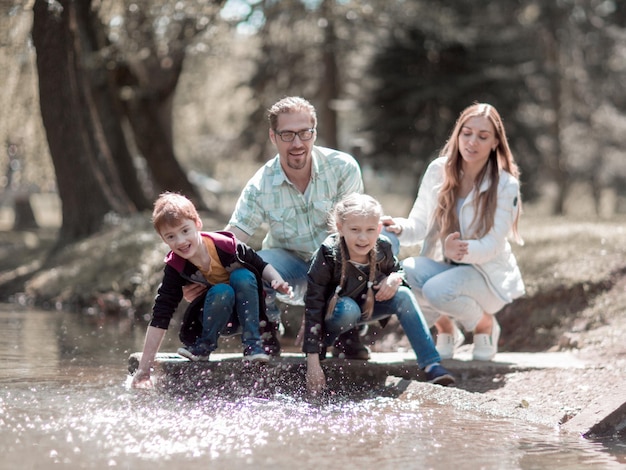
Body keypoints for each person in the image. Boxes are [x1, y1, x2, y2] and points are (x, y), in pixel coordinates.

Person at [186, 96, 368, 359]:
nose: (297, 143)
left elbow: (350, 237)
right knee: (252, 263)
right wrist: (197, 273)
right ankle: (267, 332)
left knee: (347, 312)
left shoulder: (343, 168)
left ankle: (341, 336)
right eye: (287, 135)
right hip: (287, 270)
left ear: (314, 133)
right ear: (273, 137)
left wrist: (314, 311)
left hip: (336, 271)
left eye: (305, 133)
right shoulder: (260, 184)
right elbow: (232, 238)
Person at [383, 103, 525, 361]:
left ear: (495, 142)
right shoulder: (438, 169)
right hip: (444, 268)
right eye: (466, 133)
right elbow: (420, 224)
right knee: (405, 274)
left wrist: (460, 251)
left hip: (485, 278)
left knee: (437, 290)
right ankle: (447, 329)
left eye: (482, 137)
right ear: (457, 134)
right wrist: (400, 227)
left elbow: (493, 243)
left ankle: (485, 325)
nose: (472, 142)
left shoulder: (506, 184)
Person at [131, 192, 292, 389]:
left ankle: (254, 344)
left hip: (252, 312)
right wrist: (144, 368)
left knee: (242, 276)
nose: (180, 241)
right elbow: (161, 314)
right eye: (171, 236)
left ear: (197, 224)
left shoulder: (227, 246)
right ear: (163, 240)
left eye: (185, 231)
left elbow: (260, 264)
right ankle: (203, 347)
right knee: (222, 290)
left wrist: (278, 281)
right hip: (218, 316)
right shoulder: (176, 266)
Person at [303, 193, 456, 395]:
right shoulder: (328, 253)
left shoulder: (383, 246)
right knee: (349, 309)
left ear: (379, 228)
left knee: (403, 296)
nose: (363, 237)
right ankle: (332, 342)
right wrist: (312, 362)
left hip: (368, 308)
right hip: (337, 314)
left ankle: (431, 363)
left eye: (370, 230)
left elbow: (397, 269)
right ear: (340, 227)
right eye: (355, 230)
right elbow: (313, 304)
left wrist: (395, 278)